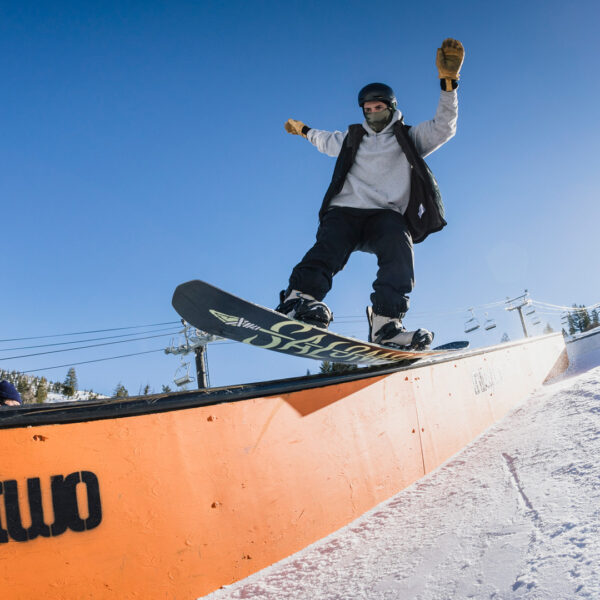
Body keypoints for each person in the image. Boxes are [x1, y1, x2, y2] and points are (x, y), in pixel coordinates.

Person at [276, 38, 464, 350]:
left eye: (379, 108)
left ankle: (385, 324)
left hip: (384, 216)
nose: (373, 113)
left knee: (399, 251)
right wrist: (305, 131)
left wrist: (449, 85)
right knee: (329, 246)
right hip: (346, 211)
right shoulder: (352, 138)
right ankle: (300, 300)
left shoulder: (409, 138)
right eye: (368, 109)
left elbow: (444, 127)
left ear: (391, 109)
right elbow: (325, 141)